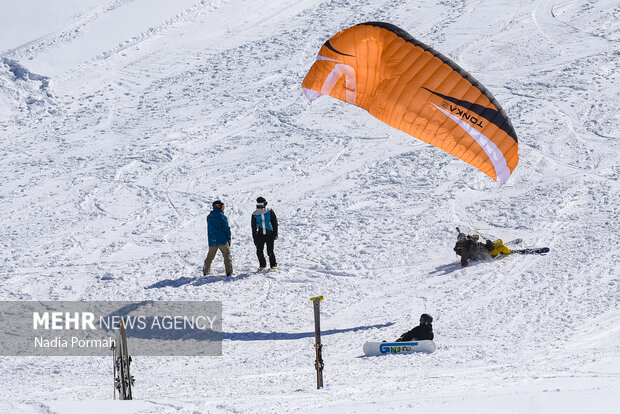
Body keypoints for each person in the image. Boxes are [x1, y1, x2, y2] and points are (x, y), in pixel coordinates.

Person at [203, 200, 233, 276]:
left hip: (212, 240)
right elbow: (226, 228)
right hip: (222, 240)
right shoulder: (222, 216)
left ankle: (206, 271)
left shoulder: (209, 217)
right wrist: (229, 237)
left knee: (210, 257)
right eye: (222, 207)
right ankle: (229, 272)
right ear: (219, 207)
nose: (223, 208)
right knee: (227, 255)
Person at [251, 196, 278, 271]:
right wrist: (255, 237)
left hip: (270, 234)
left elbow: (274, 222)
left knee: (270, 251)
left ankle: (273, 265)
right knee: (259, 251)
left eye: (262, 204)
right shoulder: (255, 214)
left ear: (265, 204)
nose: (260, 206)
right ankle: (262, 265)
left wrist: (275, 233)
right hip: (260, 235)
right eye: (259, 204)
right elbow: (253, 227)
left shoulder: (269, 211)